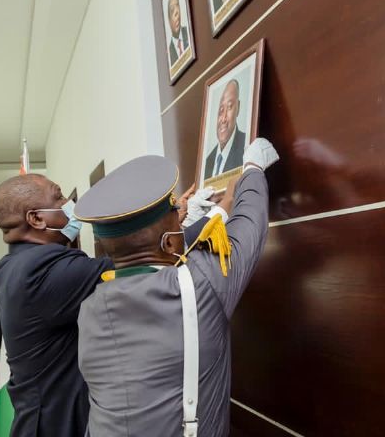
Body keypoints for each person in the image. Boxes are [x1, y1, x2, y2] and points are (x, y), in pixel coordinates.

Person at [0, 173, 225, 436]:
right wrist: (215, 215)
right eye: (59, 197)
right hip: (56, 424)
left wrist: (172, 218)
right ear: (36, 218)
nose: (69, 203)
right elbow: (137, 260)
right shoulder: (39, 271)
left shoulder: (20, 264)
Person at [76, 138, 278, 436]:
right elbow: (248, 226)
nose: (182, 217)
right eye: (177, 215)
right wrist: (252, 168)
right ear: (170, 241)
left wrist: (212, 213)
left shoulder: (90, 308)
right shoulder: (198, 285)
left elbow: (171, 254)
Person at [204, 79, 247, 178]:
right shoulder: (207, 162)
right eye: (221, 110)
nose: (223, 118)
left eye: (229, 107)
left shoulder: (247, 147)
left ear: (238, 107)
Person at [167, 0, 190, 67]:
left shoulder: (189, 33)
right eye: (172, 10)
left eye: (177, 6)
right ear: (169, 20)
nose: (176, 14)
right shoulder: (169, 52)